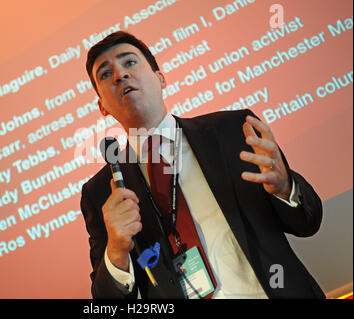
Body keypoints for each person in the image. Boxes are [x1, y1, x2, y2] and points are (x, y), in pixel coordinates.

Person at [80, 31, 325, 299]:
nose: (119, 75)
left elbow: (307, 223)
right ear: (102, 106)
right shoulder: (101, 192)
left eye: (129, 62)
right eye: (105, 74)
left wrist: (285, 188)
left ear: (160, 78)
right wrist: (116, 249)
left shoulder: (234, 130)